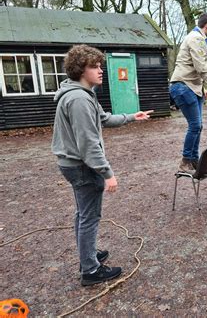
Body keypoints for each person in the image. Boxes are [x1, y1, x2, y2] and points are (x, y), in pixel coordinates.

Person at [51, 44, 153, 286]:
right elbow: (88, 144)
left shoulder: (83, 94)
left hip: (74, 164)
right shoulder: (78, 100)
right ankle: (90, 270)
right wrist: (107, 173)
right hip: (81, 166)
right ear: (79, 70)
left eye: (100, 66)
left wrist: (131, 116)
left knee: (82, 213)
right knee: (89, 216)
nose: (100, 70)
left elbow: (104, 119)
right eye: (94, 67)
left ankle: (87, 255)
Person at [169, 13, 207, 174]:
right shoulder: (196, 38)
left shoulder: (200, 40)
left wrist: (202, 89)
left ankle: (194, 160)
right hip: (182, 87)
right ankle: (185, 161)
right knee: (195, 125)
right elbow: (201, 66)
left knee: (198, 126)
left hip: (192, 87)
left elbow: (193, 67)